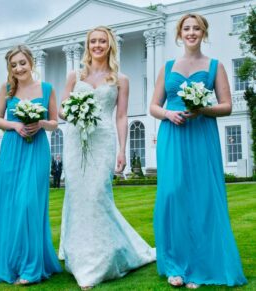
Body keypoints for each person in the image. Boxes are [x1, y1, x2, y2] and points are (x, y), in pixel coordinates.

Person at [150, 13, 247, 288]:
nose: (191, 32)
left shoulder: (215, 66)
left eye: (196, 28)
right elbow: (153, 106)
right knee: (172, 195)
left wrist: (201, 109)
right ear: (179, 34)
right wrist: (169, 114)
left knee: (202, 197)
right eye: (187, 28)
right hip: (173, 134)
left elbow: (226, 105)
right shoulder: (167, 67)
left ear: (204, 32)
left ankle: (200, 264)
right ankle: (174, 264)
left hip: (202, 134)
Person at [58, 26, 156, 289]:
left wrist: (123, 149)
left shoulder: (120, 79)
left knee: (97, 195)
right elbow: (60, 112)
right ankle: (80, 258)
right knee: (78, 196)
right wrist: (73, 112)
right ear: (87, 45)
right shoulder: (74, 75)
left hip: (103, 140)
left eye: (102, 41)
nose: (97, 46)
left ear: (110, 45)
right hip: (75, 140)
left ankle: (100, 260)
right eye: (93, 41)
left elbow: (121, 116)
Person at [0, 45, 62, 285]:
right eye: (13, 65)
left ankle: (32, 268)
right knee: (12, 206)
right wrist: (15, 125)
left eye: (22, 63)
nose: (18, 68)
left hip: (36, 149)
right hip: (12, 148)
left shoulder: (47, 89)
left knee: (29, 205)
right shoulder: (7, 88)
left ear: (31, 62)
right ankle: (14, 264)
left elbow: (55, 122)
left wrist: (41, 123)